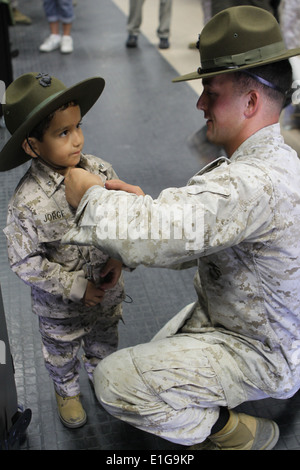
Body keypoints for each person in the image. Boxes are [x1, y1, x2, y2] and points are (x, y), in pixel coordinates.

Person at [64, 6, 300, 449]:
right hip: (253, 317)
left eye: (211, 91)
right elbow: (202, 224)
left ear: (251, 101)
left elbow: (171, 228)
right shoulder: (273, 160)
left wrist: (90, 197)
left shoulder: (252, 182)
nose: (199, 103)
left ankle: (235, 433)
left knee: (116, 381)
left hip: (264, 350)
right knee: (153, 359)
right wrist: (139, 214)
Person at [0, 72, 126, 428]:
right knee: (61, 354)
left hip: (105, 296)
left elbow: (123, 223)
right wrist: (75, 287)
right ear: (32, 145)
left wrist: (118, 257)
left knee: (104, 343)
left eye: (78, 127)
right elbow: (24, 261)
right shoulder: (26, 202)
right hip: (60, 310)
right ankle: (67, 390)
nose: (78, 141)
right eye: (62, 133)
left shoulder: (101, 172)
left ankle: (101, 374)